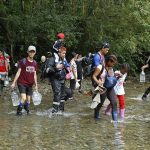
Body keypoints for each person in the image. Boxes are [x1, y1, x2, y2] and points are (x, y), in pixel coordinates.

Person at [11, 46, 38, 115]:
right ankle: (18, 112)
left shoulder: (35, 63)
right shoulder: (23, 61)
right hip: (22, 82)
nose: (32, 53)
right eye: (30, 51)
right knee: (23, 98)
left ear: (35, 53)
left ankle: (27, 110)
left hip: (30, 84)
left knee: (28, 100)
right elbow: (18, 72)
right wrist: (14, 82)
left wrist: (36, 85)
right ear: (28, 52)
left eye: (33, 51)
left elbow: (35, 74)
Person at [92, 55, 118, 121]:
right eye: (113, 63)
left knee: (114, 102)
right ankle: (96, 116)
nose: (113, 65)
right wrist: (98, 82)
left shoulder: (111, 68)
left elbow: (111, 78)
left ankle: (115, 121)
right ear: (109, 61)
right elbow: (94, 76)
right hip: (102, 87)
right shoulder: (100, 67)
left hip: (110, 87)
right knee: (100, 103)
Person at [46, 46, 69, 114]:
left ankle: (61, 110)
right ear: (59, 53)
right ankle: (54, 111)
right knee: (57, 93)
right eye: (63, 53)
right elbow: (48, 70)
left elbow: (65, 68)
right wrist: (56, 68)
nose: (64, 55)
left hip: (62, 79)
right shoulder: (52, 59)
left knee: (63, 95)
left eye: (65, 53)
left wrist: (68, 72)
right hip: (55, 79)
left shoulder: (63, 60)